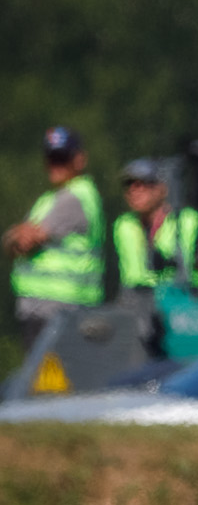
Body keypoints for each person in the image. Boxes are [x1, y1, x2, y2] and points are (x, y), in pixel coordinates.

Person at [6, 126, 106, 354]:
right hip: (42, 312)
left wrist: (19, 234)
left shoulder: (76, 196)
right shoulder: (49, 198)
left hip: (62, 312)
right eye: (51, 158)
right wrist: (17, 235)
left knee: (55, 376)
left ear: (79, 160)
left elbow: (25, 240)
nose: (55, 165)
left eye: (62, 158)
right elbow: (12, 242)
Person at [113, 157, 198, 296]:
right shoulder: (124, 225)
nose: (134, 191)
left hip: (180, 301)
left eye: (142, 184)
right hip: (136, 302)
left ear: (161, 189)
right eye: (128, 185)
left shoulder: (186, 222)